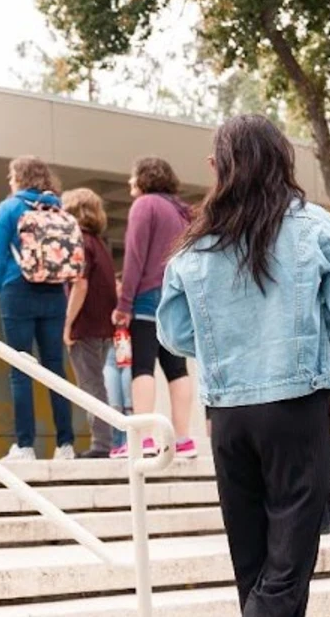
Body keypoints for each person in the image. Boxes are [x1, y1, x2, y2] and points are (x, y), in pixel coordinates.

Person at [157, 114, 330, 616]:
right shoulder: (312, 225)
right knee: (287, 567)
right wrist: (305, 331)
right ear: (282, 160)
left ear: (219, 166)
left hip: (228, 414)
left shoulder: (195, 243)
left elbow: (174, 333)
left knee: (252, 563)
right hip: (295, 405)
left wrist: (226, 345)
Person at [0, 155, 74, 461]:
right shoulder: (57, 207)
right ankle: (66, 444)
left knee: (20, 368)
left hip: (18, 290)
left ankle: (25, 445)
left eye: (11, 177)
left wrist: (4, 290)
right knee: (55, 367)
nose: (9, 182)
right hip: (54, 292)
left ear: (19, 178)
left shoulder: (9, 208)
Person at [114, 155, 200, 458]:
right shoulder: (183, 212)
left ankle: (144, 439)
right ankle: (183, 439)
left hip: (148, 296)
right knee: (177, 368)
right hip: (179, 297)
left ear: (144, 178)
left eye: (133, 175)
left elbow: (135, 256)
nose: (130, 181)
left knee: (142, 366)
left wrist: (124, 303)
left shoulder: (145, 205)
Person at [59, 188, 121, 458]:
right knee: (97, 383)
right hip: (104, 326)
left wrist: (68, 323)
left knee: (91, 386)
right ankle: (104, 442)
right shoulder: (99, 244)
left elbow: (80, 285)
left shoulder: (80, 243)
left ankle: (101, 444)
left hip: (85, 326)